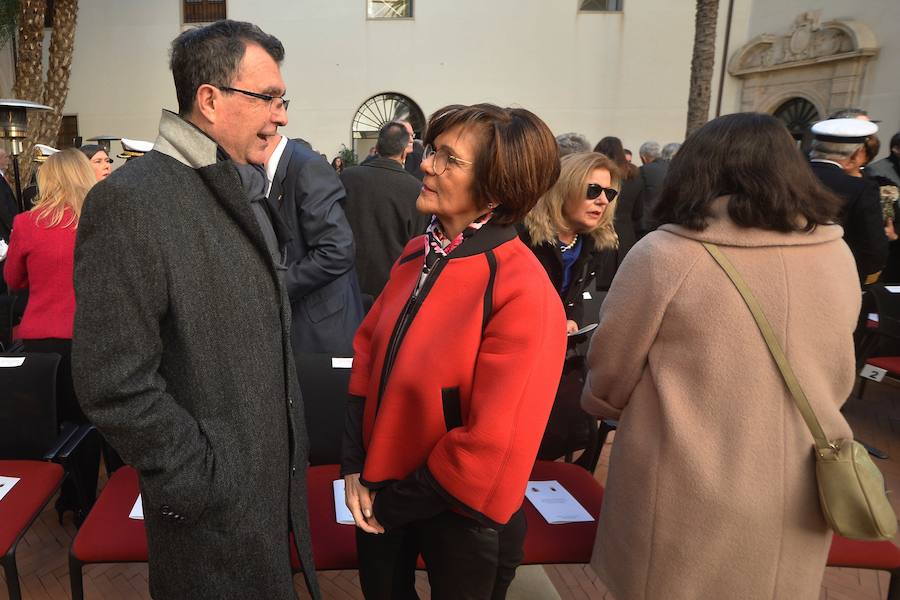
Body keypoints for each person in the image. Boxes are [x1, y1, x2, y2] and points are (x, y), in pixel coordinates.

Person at [71, 20, 319, 600]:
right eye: (268, 98)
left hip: (264, 499)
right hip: (211, 516)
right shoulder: (131, 202)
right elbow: (113, 381)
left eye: (283, 100)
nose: (282, 115)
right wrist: (204, 477)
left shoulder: (240, 184)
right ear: (209, 100)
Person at [580, 112, 859, 599]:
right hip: (797, 479)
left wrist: (604, 404)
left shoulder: (665, 255)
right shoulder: (836, 252)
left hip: (682, 484)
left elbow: (612, 370)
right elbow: (839, 369)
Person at [341, 103, 567, 599]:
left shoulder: (522, 288)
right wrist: (354, 465)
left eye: (448, 158)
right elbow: (368, 354)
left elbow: (490, 445)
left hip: (458, 518)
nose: (425, 164)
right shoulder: (419, 251)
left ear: (495, 188)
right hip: (386, 488)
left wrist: (388, 503)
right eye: (431, 151)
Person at [4, 149, 101, 520]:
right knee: (87, 420)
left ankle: (63, 494)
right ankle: (87, 503)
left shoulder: (26, 223)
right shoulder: (99, 221)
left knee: (51, 419)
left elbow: (13, 280)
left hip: (39, 340)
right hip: (88, 336)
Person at [263, 132, 364, 356]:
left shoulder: (307, 167)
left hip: (321, 330)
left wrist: (274, 285)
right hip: (301, 323)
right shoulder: (275, 170)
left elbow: (338, 250)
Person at [521, 151, 618, 333]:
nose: (603, 201)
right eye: (593, 190)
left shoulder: (597, 244)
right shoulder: (522, 238)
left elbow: (575, 293)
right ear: (564, 189)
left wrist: (572, 317)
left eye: (609, 193)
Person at [342, 121, 429, 303]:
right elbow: (419, 242)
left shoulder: (347, 178)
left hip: (346, 282)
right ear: (406, 150)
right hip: (391, 287)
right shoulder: (415, 189)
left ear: (378, 147)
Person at [809, 118, 888, 285]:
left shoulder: (782, 177)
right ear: (856, 154)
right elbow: (873, 247)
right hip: (836, 277)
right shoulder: (860, 189)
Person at [594, 136, 642, 264]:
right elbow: (638, 212)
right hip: (626, 235)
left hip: (599, 232)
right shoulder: (635, 176)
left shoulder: (596, 173)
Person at [636, 140, 667, 237]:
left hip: (647, 222)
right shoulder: (672, 167)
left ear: (644, 157)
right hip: (667, 221)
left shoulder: (643, 170)